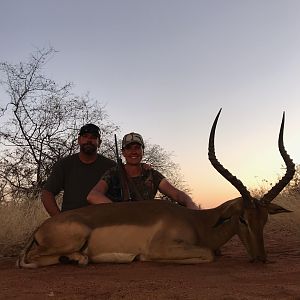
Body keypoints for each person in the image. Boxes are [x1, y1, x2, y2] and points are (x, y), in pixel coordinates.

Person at [87, 132, 199, 209]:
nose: (133, 152)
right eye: (129, 148)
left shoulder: (151, 174)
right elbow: (93, 196)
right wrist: (119, 211)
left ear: (143, 151)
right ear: (123, 153)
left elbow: (176, 194)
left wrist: (190, 203)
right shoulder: (113, 173)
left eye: (137, 148)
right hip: (119, 223)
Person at [41, 123, 116, 216]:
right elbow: (47, 193)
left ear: (99, 143)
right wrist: (59, 219)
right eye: (85, 136)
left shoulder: (112, 166)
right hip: (72, 221)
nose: (89, 140)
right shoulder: (64, 164)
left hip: (102, 222)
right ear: (79, 140)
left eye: (93, 137)